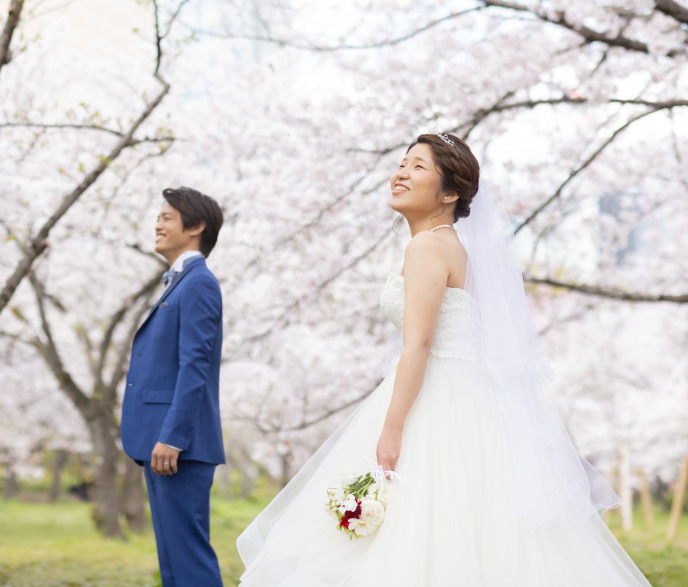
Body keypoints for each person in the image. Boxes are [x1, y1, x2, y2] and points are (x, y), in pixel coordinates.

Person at [236, 134, 652, 586]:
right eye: (401, 163)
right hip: (466, 395)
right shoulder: (451, 245)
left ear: (449, 192)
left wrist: (392, 429)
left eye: (417, 167)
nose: (400, 173)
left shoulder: (428, 246)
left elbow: (418, 345)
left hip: (437, 395)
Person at [121, 186, 226, 587]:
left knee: (189, 563)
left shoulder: (198, 283)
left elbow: (194, 365)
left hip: (177, 446)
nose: (158, 224)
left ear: (195, 226)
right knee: (173, 565)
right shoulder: (180, 281)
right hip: (161, 444)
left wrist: (173, 437)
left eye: (167, 217)